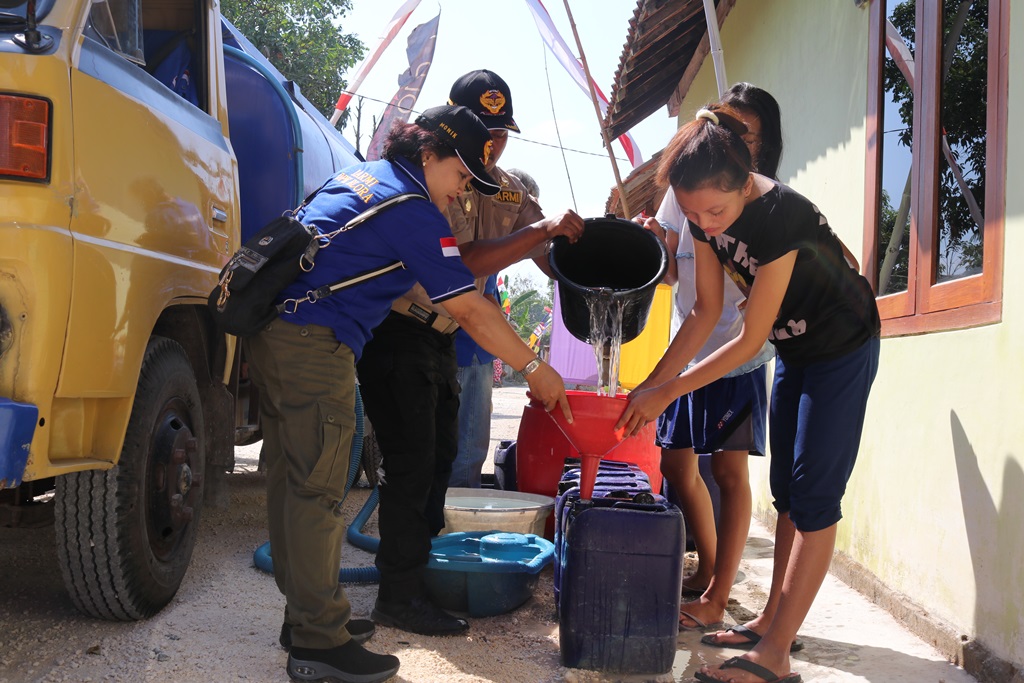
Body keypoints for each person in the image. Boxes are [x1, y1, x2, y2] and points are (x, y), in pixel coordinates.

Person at [244, 104, 572, 683]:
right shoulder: (412, 209)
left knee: (293, 480)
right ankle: (319, 644)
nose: (463, 188)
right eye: (461, 174)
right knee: (318, 490)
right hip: (313, 343)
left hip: (278, 332)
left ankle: (308, 619)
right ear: (427, 155)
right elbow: (468, 306)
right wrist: (534, 366)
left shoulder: (362, 177)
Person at [615, 103, 880, 683]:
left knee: (814, 499)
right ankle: (767, 622)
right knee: (786, 491)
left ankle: (776, 654)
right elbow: (706, 311)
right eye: (692, 214)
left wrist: (667, 394)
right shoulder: (701, 214)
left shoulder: (781, 215)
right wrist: (652, 386)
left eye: (716, 210)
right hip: (798, 351)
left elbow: (746, 338)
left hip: (843, 347)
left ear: (745, 184)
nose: (705, 224)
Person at [358, 70, 584, 635]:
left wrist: (601, 258)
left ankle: (420, 578)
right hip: (401, 327)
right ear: (448, 129)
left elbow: (552, 256)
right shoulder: (426, 183)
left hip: (443, 335)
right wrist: (538, 235)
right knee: (413, 466)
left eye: (502, 131)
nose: (494, 143)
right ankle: (399, 594)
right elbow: (461, 267)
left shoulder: (509, 190)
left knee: (441, 462)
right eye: (483, 130)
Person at [638, 83, 781, 634]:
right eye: (726, 127)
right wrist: (656, 239)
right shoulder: (692, 193)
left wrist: (661, 384)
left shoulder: (769, 209)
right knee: (676, 463)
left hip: (739, 354)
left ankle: (721, 584)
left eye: (746, 133)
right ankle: (712, 570)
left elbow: (731, 321)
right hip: (694, 342)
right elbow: (692, 295)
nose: (707, 219)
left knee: (729, 469)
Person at [450, 160, 546, 489]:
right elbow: (485, 305)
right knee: (468, 447)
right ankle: (456, 524)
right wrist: (526, 359)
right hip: (470, 351)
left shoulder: (485, 242)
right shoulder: (481, 244)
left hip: (469, 349)